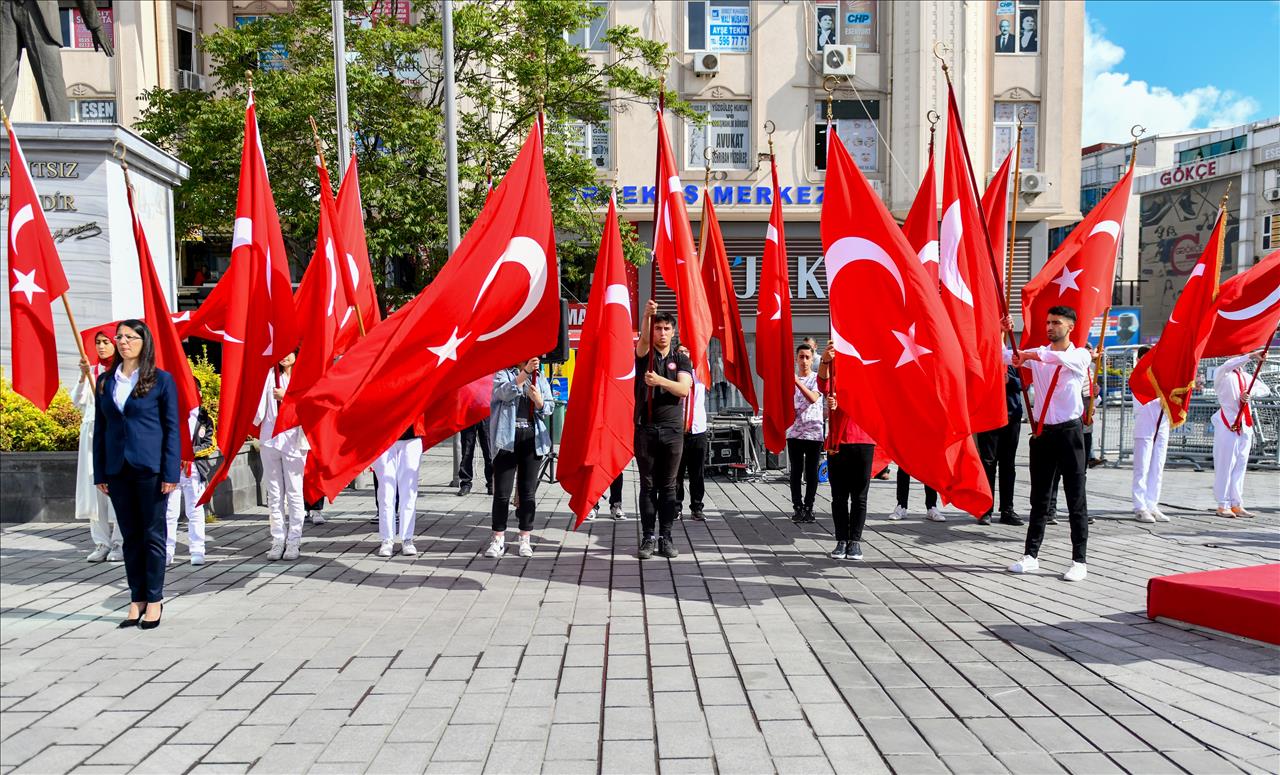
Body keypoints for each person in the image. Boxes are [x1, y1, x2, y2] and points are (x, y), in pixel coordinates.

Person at [93, 320, 179, 629]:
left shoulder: (161, 380)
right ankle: (136, 598)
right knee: (130, 537)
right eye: (119, 337)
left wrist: (171, 471)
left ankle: (154, 599)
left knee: (153, 535)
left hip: (150, 469)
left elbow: (172, 429)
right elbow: (100, 431)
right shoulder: (105, 382)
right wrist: (100, 471)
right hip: (118, 470)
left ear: (144, 342)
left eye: (130, 337)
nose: (123, 341)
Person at [1004, 308, 1091, 582]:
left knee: (1075, 497)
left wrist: (1030, 355)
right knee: (1039, 498)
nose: (1050, 327)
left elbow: (1054, 357)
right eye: (1047, 322)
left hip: (1070, 433)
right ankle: (1031, 556)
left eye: (1056, 323)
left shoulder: (1080, 355)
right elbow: (1004, 356)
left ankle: (1079, 560)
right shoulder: (1038, 355)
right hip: (1043, 434)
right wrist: (1001, 332)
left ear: (1070, 327)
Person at [634, 302, 693, 560]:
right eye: (658, 328)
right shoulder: (644, 356)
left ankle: (665, 537)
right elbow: (643, 342)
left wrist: (659, 381)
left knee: (669, 486)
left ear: (673, 331)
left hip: (672, 429)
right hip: (645, 428)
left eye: (666, 328)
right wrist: (647, 316)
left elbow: (683, 390)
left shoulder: (681, 359)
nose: (662, 332)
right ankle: (647, 537)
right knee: (647, 486)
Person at [485, 358, 555, 558]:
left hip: (533, 439)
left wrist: (539, 401)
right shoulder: (503, 373)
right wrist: (523, 374)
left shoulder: (540, 378)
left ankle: (525, 538)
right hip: (506, 439)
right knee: (502, 493)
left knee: (527, 493)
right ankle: (498, 538)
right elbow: (503, 393)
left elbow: (548, 407)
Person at [818, 341, 876, 561]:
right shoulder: (836, 374)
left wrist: (842, 401)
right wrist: (825, 359)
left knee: (859, 496)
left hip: (863, 441)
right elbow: (822, 382)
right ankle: (841, 540)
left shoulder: (871, 374)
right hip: (837, 442)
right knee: (838, 496)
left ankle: (855, 542)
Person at [73, 330, 122, 562]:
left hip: (113, 435)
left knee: (116, 489)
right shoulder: (93, 371)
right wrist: (84, 377)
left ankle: (120, 542)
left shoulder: (122, 372)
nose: (101, 346)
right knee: (94, 490)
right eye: (98, 343)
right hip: (91, 434)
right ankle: (101, 542)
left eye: (106, 342)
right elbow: (77, 401)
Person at [255, 352, 309, 561]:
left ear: (297, 353)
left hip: (294, 439)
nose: (284, 357)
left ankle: (294, 540)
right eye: (281, 352)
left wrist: (286, 396)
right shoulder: (269, 375)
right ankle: (278, 539)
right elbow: (258, 409)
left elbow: (311, 403)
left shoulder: (303, 377)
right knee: (275, 494)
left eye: (289, 352)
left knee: (294, 492)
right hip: (270, 438)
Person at [1211, 351, 1270, 518]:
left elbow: (1264, 389)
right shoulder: (1222, 373)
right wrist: (1251, 356)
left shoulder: (1246, 376)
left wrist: (1251, 395)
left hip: (1245, 424)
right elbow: (1229, 365)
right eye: (1239, 355)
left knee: (1240, 464)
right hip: (1228, 423)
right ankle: (1222, 504)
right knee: (1225, 464)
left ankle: (1236, 502)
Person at [164, 383, 214, 566]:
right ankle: (168, 551)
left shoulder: (204, 418)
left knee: (195, 510)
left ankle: (198, 549)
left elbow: (210, 444)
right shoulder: (171, 415)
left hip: (194, 470)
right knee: (170, 512)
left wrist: (189, 453)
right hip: (173, 470)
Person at [976, 365, 1025, 526]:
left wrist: (1009, 380)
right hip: (988, 416)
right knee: (988, 463)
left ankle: (1007, 510)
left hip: (1011, 417)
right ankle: (985, 509)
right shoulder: (984, 357)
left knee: (1008, 465)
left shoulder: (1013, 359)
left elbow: (1025, 383)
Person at [1131, 346, 1171, 523]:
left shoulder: (1161, 375)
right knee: (1142, 466)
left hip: (1162, 420)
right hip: (1145, 421)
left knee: (1158, 465)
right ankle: (1140, 506)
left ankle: (1152, 504)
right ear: (1140, 359)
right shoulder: (1138, 375)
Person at [786, 343, 824, 523]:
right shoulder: (789, 379)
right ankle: (797, 506)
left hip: (813, 432)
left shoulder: (817, 378)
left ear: (812, 359)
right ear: (796, 359)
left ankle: (809, 506)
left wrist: (797, 382)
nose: (804, 361)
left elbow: (813, 397)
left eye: (807, 357)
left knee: (811, 471)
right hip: (794, 432)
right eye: (801, 357)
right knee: (796, 471)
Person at [373, 424, 423, 557]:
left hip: (411, 437)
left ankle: (407, 538)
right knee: (385, 491)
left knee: (409, 491)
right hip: (383, 436)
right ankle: (387, 539)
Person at [676, 350, 708, 522]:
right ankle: (676, 507)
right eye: (680, 351)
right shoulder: (674, 371)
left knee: (697, 473)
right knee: (676, 473)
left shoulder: (701, 371)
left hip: (698, 429)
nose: (684, 354)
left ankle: (697, 507)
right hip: (678, 430)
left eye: (687, 351)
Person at [457, 418, 494, 496]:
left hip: (486, 414)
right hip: (469, 414)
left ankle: (492, 483)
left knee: (489, 453)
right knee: (466, 453)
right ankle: (465, 483)